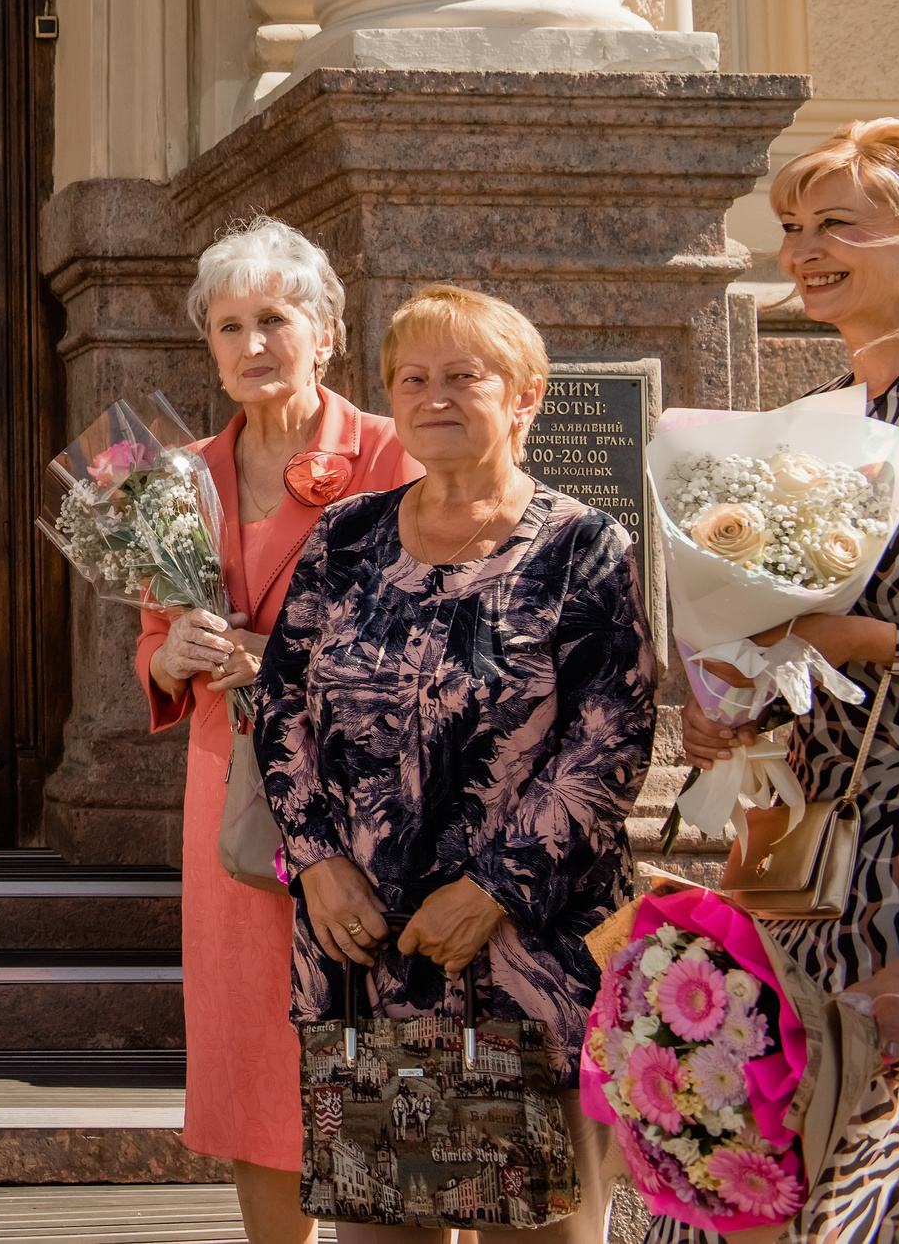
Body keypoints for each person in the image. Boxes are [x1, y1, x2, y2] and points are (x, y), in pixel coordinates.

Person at [254, 284, 655, 1244]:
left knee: (539, 1228)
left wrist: (492, 890)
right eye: (412, 378)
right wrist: (317, 860)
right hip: (367, 950)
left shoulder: (583, 546)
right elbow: (279, 707)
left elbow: (609, 740)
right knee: (386, 1229)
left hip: (526, 957)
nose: (433, 396)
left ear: (524, 395)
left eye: (463, 376)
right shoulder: (345, 536)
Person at [135, 218, 419, 1244]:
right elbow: (153, 640)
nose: (251, 344)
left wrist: (283, 660)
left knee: (382, 1047)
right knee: (254, 1050)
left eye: (274, 319)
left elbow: (430, 624)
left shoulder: (389, 450)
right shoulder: (175, 474)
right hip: (232, 796)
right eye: (228, 326)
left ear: (326, 332)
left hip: (367, 800)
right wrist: (173, 654)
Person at [672, 117, 899, 1244]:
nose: (803, 250)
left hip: (895, 863)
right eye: (792, 227)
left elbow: (843, 628)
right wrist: (730, 699)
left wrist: (853, 638)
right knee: (776, 1156)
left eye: (837, 225)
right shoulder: (828, 425)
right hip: (811, 850)